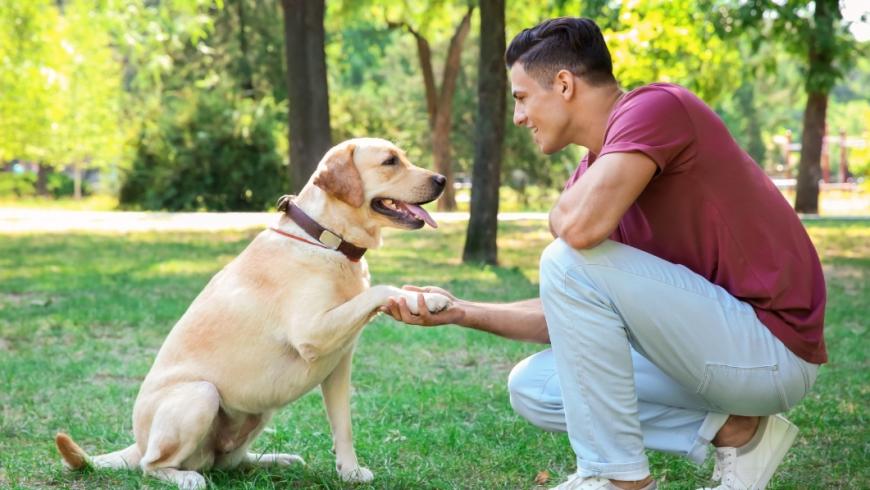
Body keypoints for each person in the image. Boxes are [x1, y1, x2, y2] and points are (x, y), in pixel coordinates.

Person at [381, 16, 826, 490]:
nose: (519, 117)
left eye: (522, 97)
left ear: (565, 84)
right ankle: (740, 431)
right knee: (536, 388)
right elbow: (571, 313)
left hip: (770, 352)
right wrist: (463, 311)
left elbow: (576, 231)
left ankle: (617, 478)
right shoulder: (597, 174)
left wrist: (561, 216)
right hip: (710, 351)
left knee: (566, 256)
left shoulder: (656, 107)